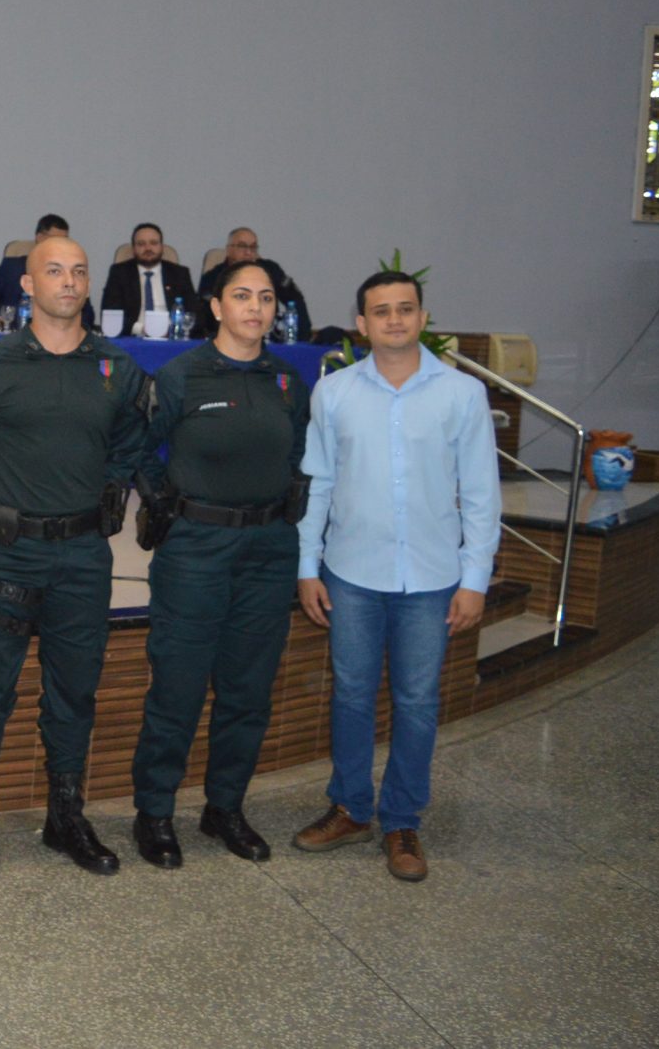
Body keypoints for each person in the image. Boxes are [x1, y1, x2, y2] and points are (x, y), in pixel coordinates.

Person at [292, 271, 498, 882]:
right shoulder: (334, 393)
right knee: (352, 696)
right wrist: (307, 566)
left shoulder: (462, 394)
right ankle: (351, 808)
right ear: (362, 324)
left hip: (432, 578)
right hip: (351, 573)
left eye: (405, 309)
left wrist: (475, 579)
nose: (394, 320)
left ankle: (402, 819)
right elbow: (318, 485)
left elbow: (481, 493)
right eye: (381, 311)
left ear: (423, 317)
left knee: (417, 701)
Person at [0, 235, 146, 876]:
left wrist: (105, 488)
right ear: (28, 285)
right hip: (11, 553)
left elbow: (131, 440)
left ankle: (66, 816)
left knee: (74, 689)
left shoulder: (116, 367)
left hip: (84, 555)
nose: (69, 281)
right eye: (54, 271)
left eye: (79, 271)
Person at [128, 259, 310, 868]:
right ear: (216, 306)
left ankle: (225, 807)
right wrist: (164, 501)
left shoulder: (287, 380)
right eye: (242, 295)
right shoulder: (182, 375)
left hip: (268, 550)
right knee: (178, 686)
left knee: (248, 690)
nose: (255, 308)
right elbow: (137, 446)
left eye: (266, 297)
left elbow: (300, 454)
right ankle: (155, 811)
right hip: (196, 550)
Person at [194, 227, 312, 338]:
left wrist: (302, 336)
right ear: (229, 250)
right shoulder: (213, 277)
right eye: (242, 246)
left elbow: (295, 298)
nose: (248, 252)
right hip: (226, 338)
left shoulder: (271, 270)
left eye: (253, 247)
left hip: (266, 336)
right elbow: (206, 314)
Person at [98, 222, 197, 337]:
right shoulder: (119, 273)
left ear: (162, 247)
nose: (148, 248)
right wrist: (140, 329)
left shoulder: (179, 274)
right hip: (134, 338)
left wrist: (172, 328)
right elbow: (110, 315)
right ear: (134, 249)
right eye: (141, 244)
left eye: (153, 243)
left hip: (171, 338)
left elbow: (195, 314)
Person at [0, 214, 71, 316]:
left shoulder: (70, 274)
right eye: (56, 240)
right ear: (40, 238)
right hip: (15, 324)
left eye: (64, 241)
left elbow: (82, 311)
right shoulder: (12, 267)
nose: (61, 246)